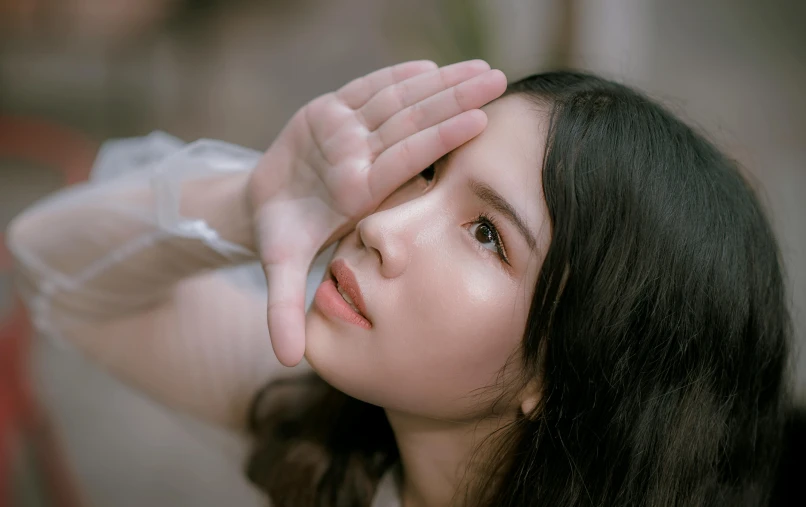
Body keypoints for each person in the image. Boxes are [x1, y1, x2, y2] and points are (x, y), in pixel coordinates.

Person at [6, 59, 793, 506]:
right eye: (426, 173)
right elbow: (49, 267)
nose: (382, 227)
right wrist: (247, 203)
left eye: (487, 235)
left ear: (572, 366)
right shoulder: (340, 437)